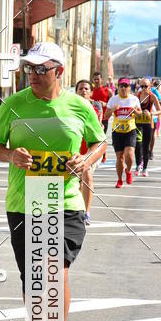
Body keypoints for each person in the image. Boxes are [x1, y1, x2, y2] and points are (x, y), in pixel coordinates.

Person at [0, 42, 106, 321]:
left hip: (65, 201)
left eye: (41, 69)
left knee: (56, 272)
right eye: (30, 69)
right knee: (33, 278)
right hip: (25, 202)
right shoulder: (13, 104)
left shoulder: (80, 106)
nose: (34, 75)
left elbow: (99, 142)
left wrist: (86, 158)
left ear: (59, 72)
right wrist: (11, 156)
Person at [104, 77, 142, 188]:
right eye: (121, 86)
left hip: (130, 130)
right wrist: (112, 109)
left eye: (126, 86)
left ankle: (128, 171)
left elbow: (139, 113)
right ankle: (120, 179)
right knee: (120, 157)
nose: (123, 88)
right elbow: (106, 116)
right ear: (118, 87)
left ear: (129, 88)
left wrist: (135, 111)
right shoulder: (114, 100)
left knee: (129, 155)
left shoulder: (134, 99)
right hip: (117, 131)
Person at [75, 79, 104, 224]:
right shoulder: (70, 107)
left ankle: (86, 212)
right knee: (78, 182)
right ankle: (76, 209)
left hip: (90, 150)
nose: (83, 90)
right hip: (74, 150)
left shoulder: (96, 106)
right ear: (76, 92)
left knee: (87, 174)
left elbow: (99, 128)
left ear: (90, 92)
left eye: (86, 88)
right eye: (80, 88)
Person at [135, 77, 161, 176]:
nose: (144, 88)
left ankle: (145, 168)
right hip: (137, 123)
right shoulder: (137, 96)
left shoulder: (152, 96)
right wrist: (137, 112)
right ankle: (138, 165)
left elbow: (160, 110)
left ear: (150, 86)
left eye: (146, 86)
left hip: (148, 124)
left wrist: (151, 113)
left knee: (146, 146)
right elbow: (132, 109)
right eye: (141, 86)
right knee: (138, 145)